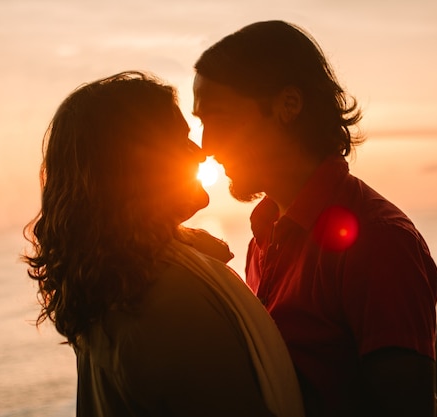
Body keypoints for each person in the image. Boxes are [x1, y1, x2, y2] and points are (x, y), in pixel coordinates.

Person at [193, 20, 437, 416]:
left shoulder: (379, 242)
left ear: (288, 105)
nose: (206, 145)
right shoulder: (264, 236)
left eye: (219, 117)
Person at [23, 71, 304, 417]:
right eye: (181, 139)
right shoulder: (170, 302)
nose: (201, 153)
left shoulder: (111, 282)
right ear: (136, 168)